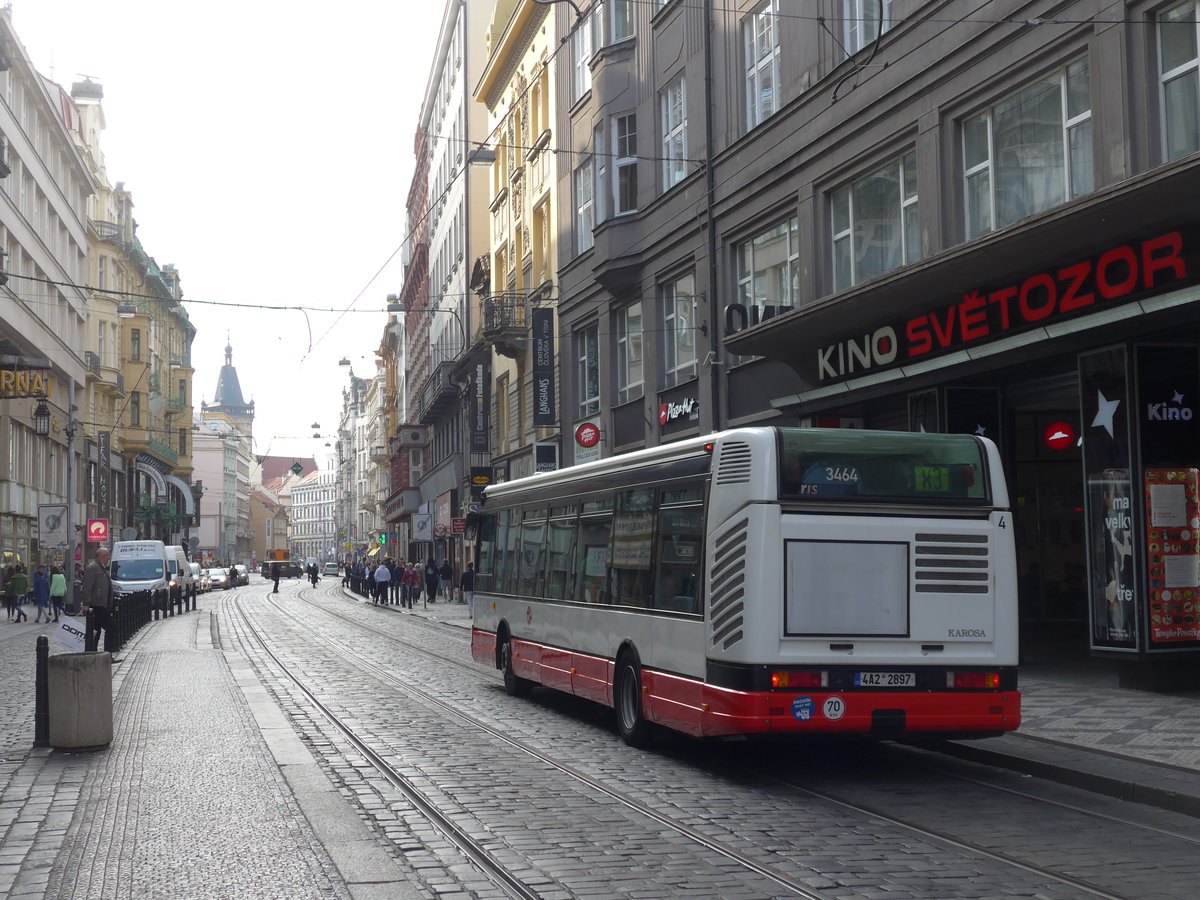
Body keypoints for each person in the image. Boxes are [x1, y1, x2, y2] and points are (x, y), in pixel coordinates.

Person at [81, 547, 114, 650]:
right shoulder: (93, 568)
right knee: (111, 627)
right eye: (108, 555)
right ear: (103, 556)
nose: (109, 558)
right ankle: (107, 653)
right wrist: (86, 603)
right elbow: (87, 586)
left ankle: (93, 652)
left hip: (101, 604)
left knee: (96, 630)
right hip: (96, 604)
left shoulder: (101, 568)